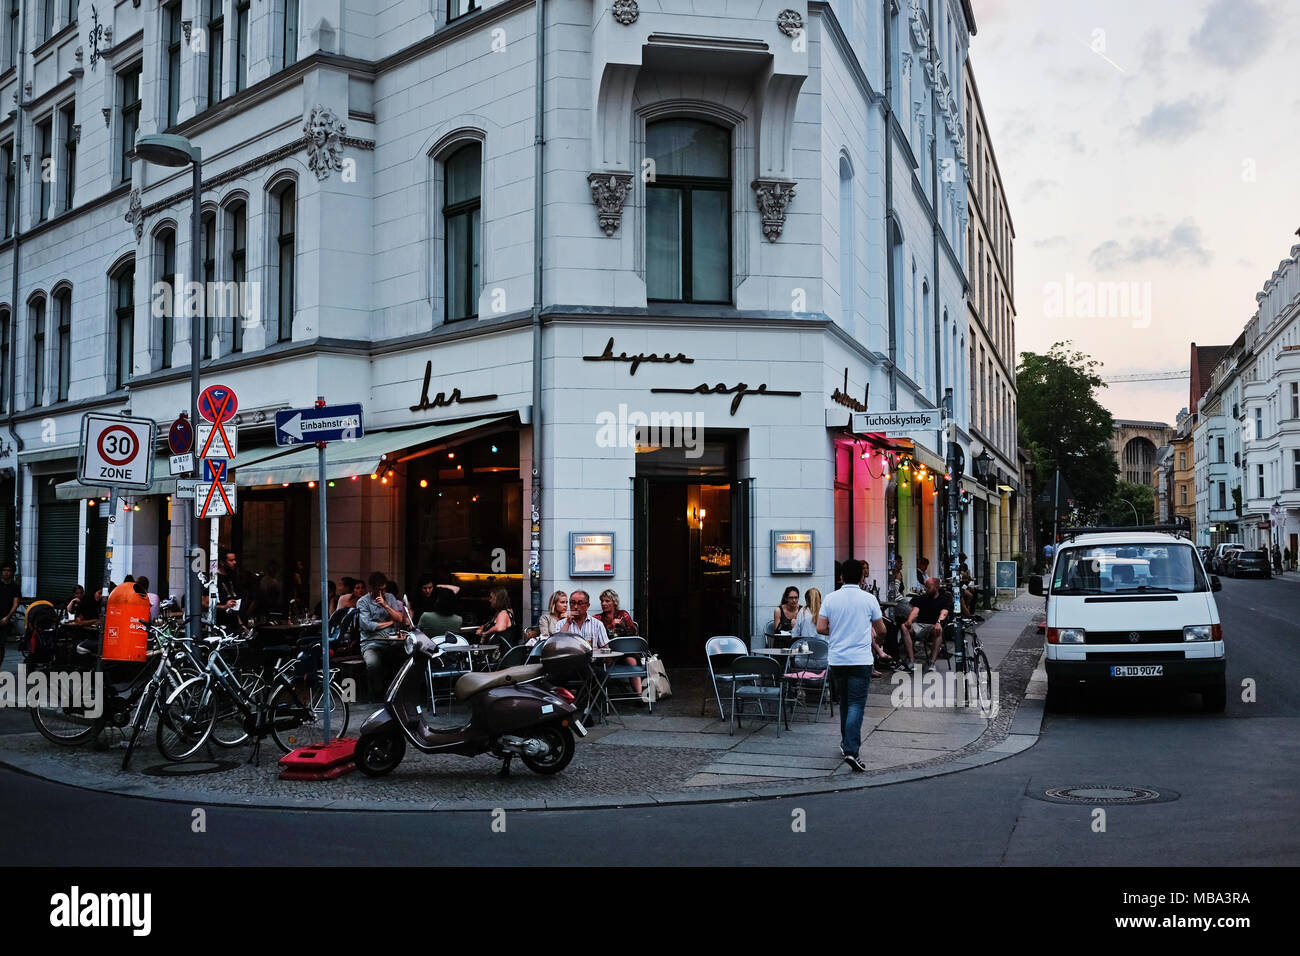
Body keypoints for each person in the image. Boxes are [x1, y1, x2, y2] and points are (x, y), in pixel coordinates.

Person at [816, 558, 885, 772]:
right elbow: (881, 629)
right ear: (862, 577)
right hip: (860, 659)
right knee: (856, 704)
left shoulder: (830, 598)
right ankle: (852, 751)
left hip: (837, 659)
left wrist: (836, 633)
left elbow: (820, 628)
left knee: (845, 703)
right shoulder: (868, 599)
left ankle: (846, 743)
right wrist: (877, 644)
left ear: (841, 577)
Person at [358, 571, 408, 701]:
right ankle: (375, 693)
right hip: (371, 642)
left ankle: (396, 692)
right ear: (371, 588)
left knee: (406, 654)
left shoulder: (389, 597)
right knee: (373, 663)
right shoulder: (363, 602)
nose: (381, 593)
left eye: (383, 589)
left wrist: (385, 605)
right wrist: (390, 622)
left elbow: (399, 618)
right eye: (378, 590)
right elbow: (367, 625)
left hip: (391, 641)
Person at [901, 576, 953, 673]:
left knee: (939, 630)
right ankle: (912, 660)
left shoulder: (944, 599)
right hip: (920, 625)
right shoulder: (922, 598)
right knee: (904, 627)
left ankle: (932, 663)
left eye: (928, 587)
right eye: (926, 587)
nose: (926, 589)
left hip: (932, 626)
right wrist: (909, 620)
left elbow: (944, 612)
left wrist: (938, 623)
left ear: (936, 587)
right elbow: (915, 610)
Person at [597, 589, 642, 695]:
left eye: (607, 601)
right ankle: (608, 693)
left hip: (624, 652)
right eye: (602, 601)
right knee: (607, 661)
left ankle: (639, 695)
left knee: (632, 661)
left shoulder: (623, 614)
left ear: (614, 602)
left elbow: (633, 634)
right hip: (607, 653)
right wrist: (610, 626)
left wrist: (623, 625)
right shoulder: (598, 618)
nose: (603, 604)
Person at [215, 550, 246, 630]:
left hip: (234, 625)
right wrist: (224, 606)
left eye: (234, 560)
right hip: (220, 625)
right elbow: (204, 604)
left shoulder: (232, 578)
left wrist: (241, 624)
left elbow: (234, 605)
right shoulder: (214, 579)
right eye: (231, 560)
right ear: (222, 562)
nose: (234, 562)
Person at [0, 562, 21, 646]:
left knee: (1, 644)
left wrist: (7, 617)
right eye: (4, 570)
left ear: (12, 572)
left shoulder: (14, 587)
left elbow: (15, 604)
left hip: (4, 617)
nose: (6, 572)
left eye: (8, 570)